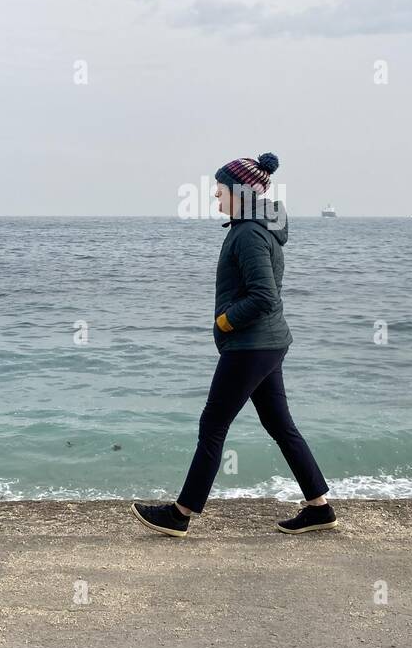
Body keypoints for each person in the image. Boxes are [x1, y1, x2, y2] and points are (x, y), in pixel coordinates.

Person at [131, 152, 336, 538]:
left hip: (252, 345)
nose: (215, 198)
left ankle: (181, 513)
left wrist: (224, 321)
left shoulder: (249, 234)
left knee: (213, 424)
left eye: (221, 191)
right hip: (267, 343)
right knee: (279, 424)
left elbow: (264, 296)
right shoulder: (257, 226)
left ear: (242, 193)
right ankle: (319, 507)